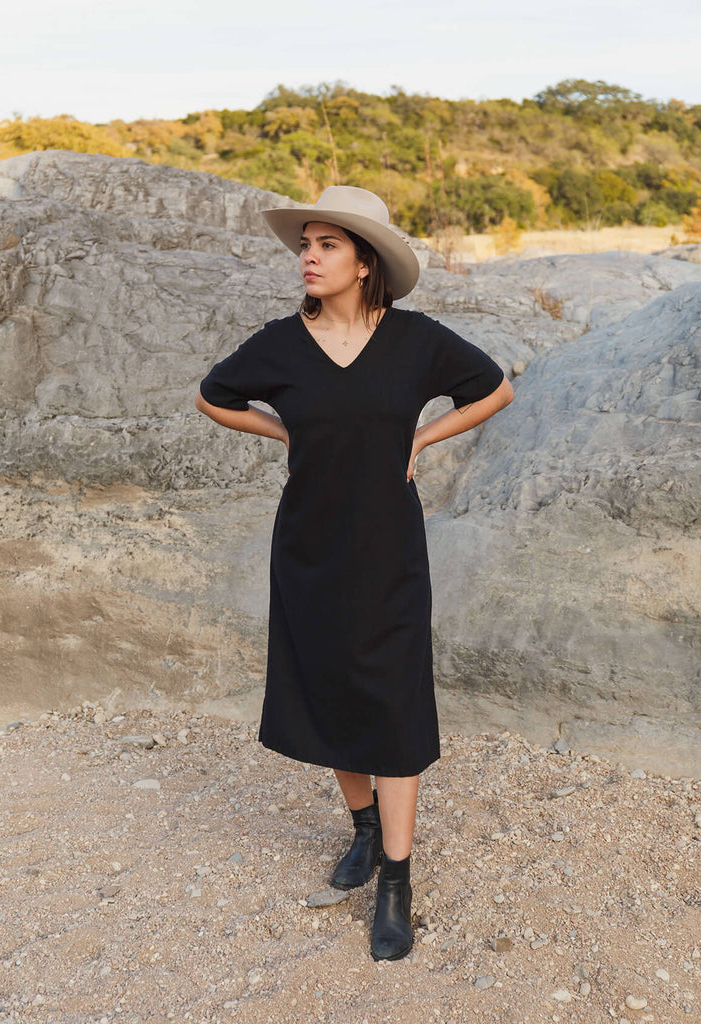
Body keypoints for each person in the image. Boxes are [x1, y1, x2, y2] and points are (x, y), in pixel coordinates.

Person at [195, 186, 514, 961]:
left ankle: (395, 883)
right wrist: (282, 436)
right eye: (305, 242)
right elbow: (214, 397)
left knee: (394, 701)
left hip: (387, 546)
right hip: (308, 545)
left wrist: (423, 439)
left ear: (365, 261)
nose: (307, 255)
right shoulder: (278, 343)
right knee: (332, 685)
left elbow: (494, 389)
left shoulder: (415, 341)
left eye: (327, 244)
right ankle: (366, 832)